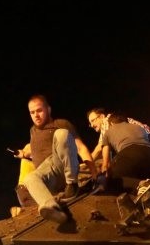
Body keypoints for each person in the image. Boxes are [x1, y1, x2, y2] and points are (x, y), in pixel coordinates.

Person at [13, 95, 95, 224]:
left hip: (60, 166)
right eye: (32, 112)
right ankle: (52, 208)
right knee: (29, 179)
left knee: (61, 134)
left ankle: (71, 184)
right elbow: (37, 151)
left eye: (39, 110)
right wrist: (24, 154)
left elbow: (80, 148)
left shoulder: (61, 123)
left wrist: (95, 173)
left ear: (49, 110)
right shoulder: (32, 131)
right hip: (47, 174)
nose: (36, 115)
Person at [89, 111, 150, 186]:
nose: (91, 125)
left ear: (111, 123)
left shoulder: (107, 127)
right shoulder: (137, 126)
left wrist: (89, 163)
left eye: (92, 120)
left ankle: (141, 185)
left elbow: (102, 154)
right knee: (143, 169)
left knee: (111, 179)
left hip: (131, 151)